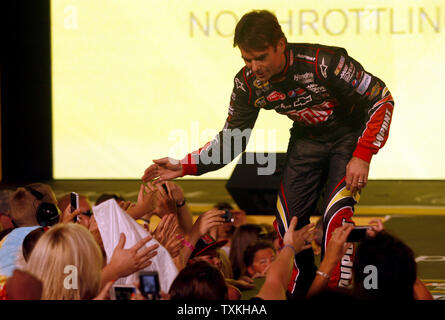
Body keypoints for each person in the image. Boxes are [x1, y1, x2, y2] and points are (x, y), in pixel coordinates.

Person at [142, 9, 394, 298]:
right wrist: (184, 165)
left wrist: (362, 154)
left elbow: (381, 97)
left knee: (335, 219)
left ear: (281, 45)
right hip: (306, 138)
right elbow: (231, 142)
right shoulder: (247, 84)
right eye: (247, 59)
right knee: (289, 226)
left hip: (349, 135)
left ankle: (335, 294)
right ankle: (297, 293)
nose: (254, 67)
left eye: (260, 57)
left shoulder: (325, 63)